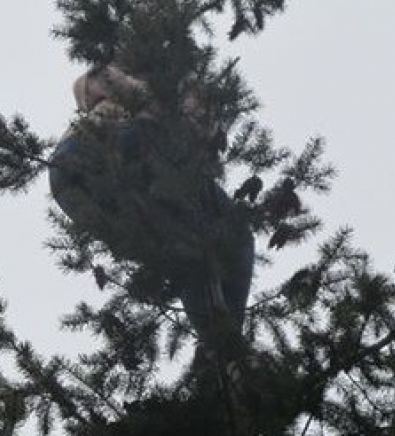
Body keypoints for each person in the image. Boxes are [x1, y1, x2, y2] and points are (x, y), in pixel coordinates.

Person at [49, 64, 253, 334]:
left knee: (190, 257)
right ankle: (224, 341)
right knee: (224, 234)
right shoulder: (153, 92)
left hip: (84, 188)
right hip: (86, 155)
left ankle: (223, 344)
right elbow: (90, 84)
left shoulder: (186, 148)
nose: (202, 116)